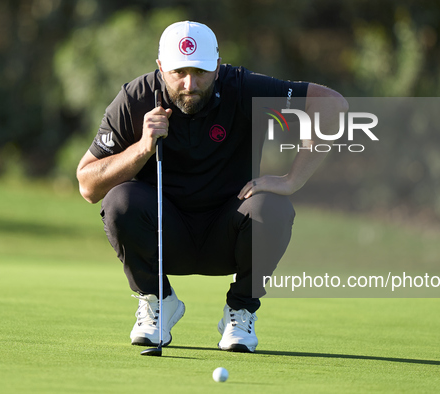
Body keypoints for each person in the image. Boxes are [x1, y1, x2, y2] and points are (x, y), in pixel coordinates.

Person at [76, 21, 347, 353]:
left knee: (272, 206)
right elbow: (88, 186)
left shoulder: (244, 88)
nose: (190, 84)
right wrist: (141, 147)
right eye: (179, 72)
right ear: (161, 67)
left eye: (201, 72)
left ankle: (241, 310)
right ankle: (157, 301)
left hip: (228, 235)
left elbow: (332, 105)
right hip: (165, 240)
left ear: (217, 67)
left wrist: (293, 179)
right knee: (120, 201)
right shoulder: (136, 98)